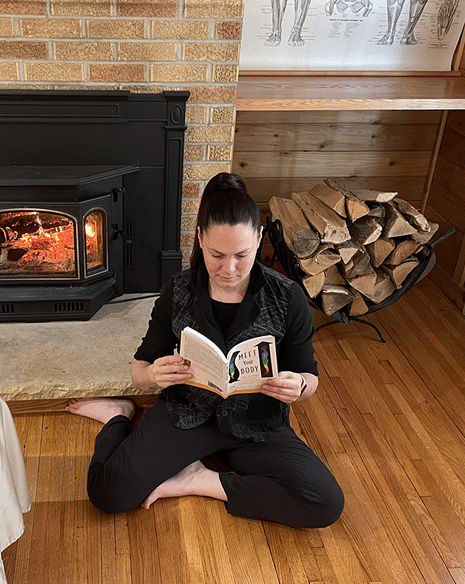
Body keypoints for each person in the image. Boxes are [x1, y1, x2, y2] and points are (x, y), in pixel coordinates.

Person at [66, 172, 344, 529]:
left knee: (325, 503)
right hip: (186, 415)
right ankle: (117, 417)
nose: (229, 269)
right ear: (199, 237)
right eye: (217, 255)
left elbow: (310, 377)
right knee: (108, 493)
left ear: (259, 239)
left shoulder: (286, 296)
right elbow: (139, 369)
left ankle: (199, 480)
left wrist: (299, 387)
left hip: (257, 424)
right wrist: (152, 375)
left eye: (242, 255)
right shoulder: (180, 289)